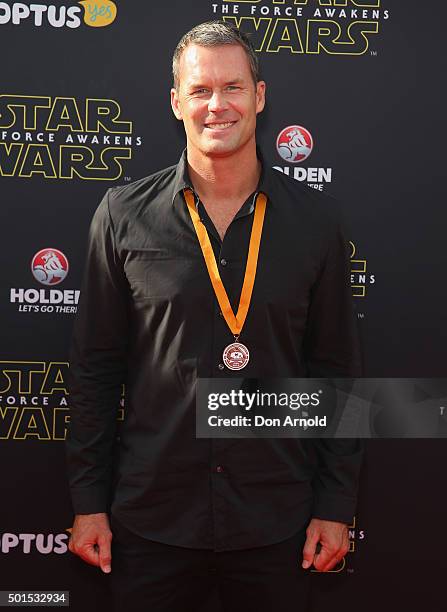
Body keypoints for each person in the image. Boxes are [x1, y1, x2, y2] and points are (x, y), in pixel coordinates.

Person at [66, 20, 363, 612]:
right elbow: (95, 369)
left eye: (232, 87)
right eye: (200, 91)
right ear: (177, 103)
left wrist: (335, 506)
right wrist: (87, 501)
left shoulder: (317, 223)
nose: (217, 105)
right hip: (152, 522)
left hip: (276, 523)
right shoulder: (123, 216)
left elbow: (335, 375)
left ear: (259, 95)